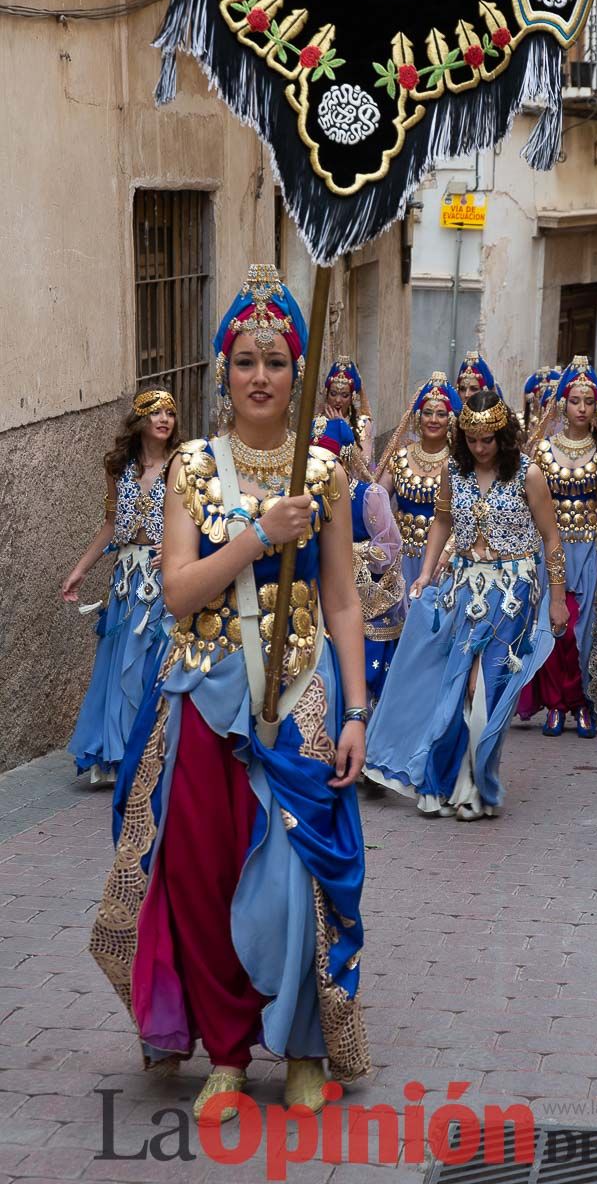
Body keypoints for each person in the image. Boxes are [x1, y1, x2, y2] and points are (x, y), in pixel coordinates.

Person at [90, 265, 370, 1121]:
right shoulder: (191, 468)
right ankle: (226, 1051)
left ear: (298, 374)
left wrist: (358, 712)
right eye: (246, 360)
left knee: (297, 878)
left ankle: (303, 1048)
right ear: (225, 370)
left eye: (276, 362)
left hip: (301, 701)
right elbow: (178, 592)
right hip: (204, 702)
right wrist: (256, 536)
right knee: (202, 875)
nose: (260, 376)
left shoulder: (324, 471)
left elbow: (343, 599)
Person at [364, 390, 566, 819]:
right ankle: (448, 780)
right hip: (464, 584)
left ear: (502, 436)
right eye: (472, 440)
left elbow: (551, 538)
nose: (479, 447)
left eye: (487, 440)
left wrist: (558, 599)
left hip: (514, 590)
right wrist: (425, 572)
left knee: (486, 685)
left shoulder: (528, 474)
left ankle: (476, 786)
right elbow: (442, 521)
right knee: (455, 685)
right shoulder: (453, 471)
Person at [63, 391, 181, 783]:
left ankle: (154, 750)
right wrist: (80, 569)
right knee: (120, 664)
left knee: (153, 661)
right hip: (127, 581)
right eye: (156, 412)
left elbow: (196, 521)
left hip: (165, 578)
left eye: (170, 413)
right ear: (139, 420)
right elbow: (111, 526)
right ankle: (118, 754)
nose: (164, 419)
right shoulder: (119, 468)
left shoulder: (182, 465)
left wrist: (177, 551)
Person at [517, 356, 597, 736]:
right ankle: (554, 703)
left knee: (582, 632)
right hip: (550, 548)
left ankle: (580, 702)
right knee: (553, 625)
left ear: (596, 405)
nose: (581, 408)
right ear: (563, 403)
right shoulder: (543, 449)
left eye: (588, 401)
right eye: (575, 400)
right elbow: (529, 504)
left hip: (588, 550)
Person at [313, 416, 406, 707]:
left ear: (343, 458)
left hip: (363, 600)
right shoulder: (306, 497)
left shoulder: (368, 496)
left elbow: (388, 547)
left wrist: (348, 554)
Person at [377, 373, 462, 596]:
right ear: (418, 416)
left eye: (441, 414)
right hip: (400, 555)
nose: (433, 420)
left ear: (450, 420)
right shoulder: (400, 457)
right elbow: (377, 500)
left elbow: (467, 512)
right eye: (427, 412)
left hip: (442, 559)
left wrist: (449, 550)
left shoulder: (458, 464)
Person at [321, 357, 374, 465]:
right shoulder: (318, 423)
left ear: (352, 398)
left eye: (344, 395)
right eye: (333, 394)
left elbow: (365, 463)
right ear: (327, 394)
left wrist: (343, 428)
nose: (338, 400)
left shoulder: (362, 424)